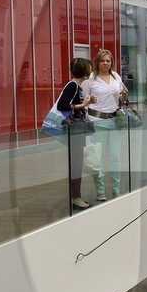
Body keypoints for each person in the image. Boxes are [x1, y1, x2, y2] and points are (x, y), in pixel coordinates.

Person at [82, 49, 126, 201]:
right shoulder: (91, 79)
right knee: (98, 157)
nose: (105, 63)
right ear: (97, 62)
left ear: (111, 62)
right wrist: (89, 102)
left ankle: (116, 189)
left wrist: (124, 95)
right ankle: (100, 191)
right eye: (102, 61)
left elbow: (121, 99)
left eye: (108, 61)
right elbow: (84, 101)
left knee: (115, 156)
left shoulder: (116, 76)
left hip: (114, 120)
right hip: (97, 121)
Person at [56, 57, 92, 211]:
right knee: (76, 163)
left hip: (78, 130)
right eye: (89, 67)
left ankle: (76, 196)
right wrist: (82, 105)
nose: (91, 70)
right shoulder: (72, 86)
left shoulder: (77, 86)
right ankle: (75, 197)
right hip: (75, 130)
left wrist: (84, 104)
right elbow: (62, 105)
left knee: (77, 163)